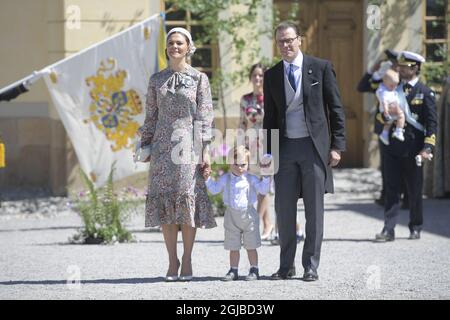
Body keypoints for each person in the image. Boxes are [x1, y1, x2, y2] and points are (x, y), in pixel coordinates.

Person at [263, 21, 346, 281]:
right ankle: (286, 266)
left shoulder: (320, 68)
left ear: (300, 40)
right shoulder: (272, 74)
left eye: (289, 40)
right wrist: (268, 153)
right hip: (285, 149)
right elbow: (270, 117)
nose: (285, 45)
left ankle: (311, 265)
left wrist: (337, 146)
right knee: (284, 210)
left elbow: (336, 109)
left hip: (313, 149)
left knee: (314, 210)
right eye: (280, 42)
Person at [139, 27, 216, 282]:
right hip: (162, 148)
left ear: (188, 47)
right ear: (167, 48)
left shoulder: (199, 79)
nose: (175, 47)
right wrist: (145, 144)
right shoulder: (156, 80)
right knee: (166, 204)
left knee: (185, 203)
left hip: (188, 147)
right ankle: (172, 260)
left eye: (179, 43)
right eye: (171, 43)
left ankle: (188, 258)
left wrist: (205, 152)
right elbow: (151, 116)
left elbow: (204, 117)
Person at [375, 51, 437, 242]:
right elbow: (377, 119)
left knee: (414, 190)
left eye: (406, 66)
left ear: (416, 68)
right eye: (400, 66)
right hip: (393, 148)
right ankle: (388, 228)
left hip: (414, 149)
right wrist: (385, 117)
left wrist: (427, 148)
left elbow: (431, 124)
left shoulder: (425, 92)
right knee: (391, 189)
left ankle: (415, 225)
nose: (401, 69)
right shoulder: (392, 89)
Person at [205, 146, 270, 281]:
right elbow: (215, 189)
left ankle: (254, 269)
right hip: (231, 216)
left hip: (249, 215)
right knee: (233, 245)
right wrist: (207, 179)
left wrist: (266, 177)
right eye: (236, 163)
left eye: (243, 164)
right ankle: (233, 270)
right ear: (229, 162)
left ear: (248, 164)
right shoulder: (225, 178)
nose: (239, 167)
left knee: (251, 245)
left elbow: (263, 190)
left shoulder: (251, 179)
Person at [356, 49, 409, 209]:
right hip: (384, 127)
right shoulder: (384, 81)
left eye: (397, 64)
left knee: (404, 163)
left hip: (402, 128)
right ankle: (386, 195)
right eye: (393, 64)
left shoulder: (405, 83)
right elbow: (362, 86)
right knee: (386, 164)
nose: (395, 67)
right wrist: (373, 68)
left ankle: (407, 197)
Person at [238, 63, 275, 240]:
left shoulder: (271, 97)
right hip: (251, 145)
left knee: (264, 186)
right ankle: (268, 225)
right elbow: (241, 123)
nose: (258, 79)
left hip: (269, 143)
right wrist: (239, 146)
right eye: (255, 75)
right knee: (255, 185)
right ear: (251, 77)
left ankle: (254, 223)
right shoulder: (245, 100)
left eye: (261, 76)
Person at [376, 69, 405, 145]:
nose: (394, 87)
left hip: (391, 110)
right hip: (388, 111)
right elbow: (384, 102)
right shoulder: (384, 92)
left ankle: (384, 133)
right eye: (392, 85)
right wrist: (386, 111)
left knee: (389, 123)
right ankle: (399, 131)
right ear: (385, 82)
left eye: (396, 85)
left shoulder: (388, 90)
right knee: (401, 116)